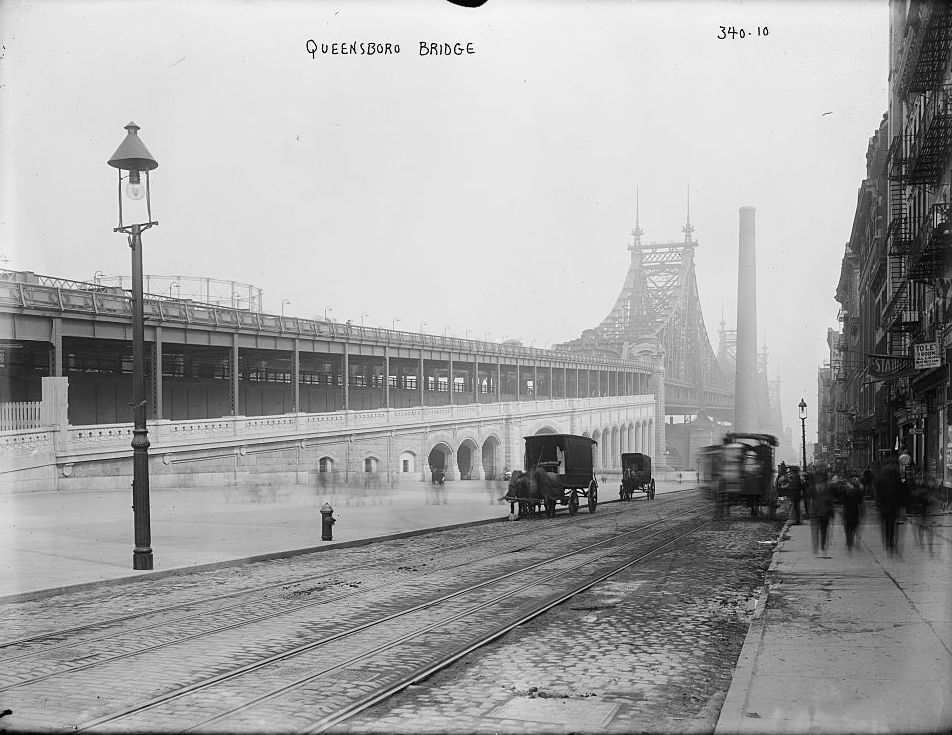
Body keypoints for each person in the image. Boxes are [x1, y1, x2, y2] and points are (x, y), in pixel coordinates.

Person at [875, 459, 903, 556]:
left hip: (884, 505)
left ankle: (887, 541)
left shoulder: (881, 477)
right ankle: (891, 541)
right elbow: (901, 492)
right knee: (893, 524)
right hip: (894, 505)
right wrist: (901, 505)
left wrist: (878, 503)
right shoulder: (897, 476)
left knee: (886, 524)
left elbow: (878, 491)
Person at [810, 470, 834, 555]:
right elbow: (809, 499)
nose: (818, 478)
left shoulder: (828, 487)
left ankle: (823, 546)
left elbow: (831, 500)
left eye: (820, 477)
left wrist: (831, 510)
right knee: (815, 531)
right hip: (815, 511)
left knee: (824, 530)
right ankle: (815, 547)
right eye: (817, 477)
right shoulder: (812, 488)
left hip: (825, 511)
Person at [841, 472, 865, 553]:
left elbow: (860, 499)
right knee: (848, 527)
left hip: (855, 510)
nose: (854, 480)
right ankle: (849, 541)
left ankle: (850, 540)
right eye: (853, 478)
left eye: (856, 479)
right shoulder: (846, 487)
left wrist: (856, 488)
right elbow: (842, 499)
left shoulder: (859, 488)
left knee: (853, 527)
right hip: (847, 510)